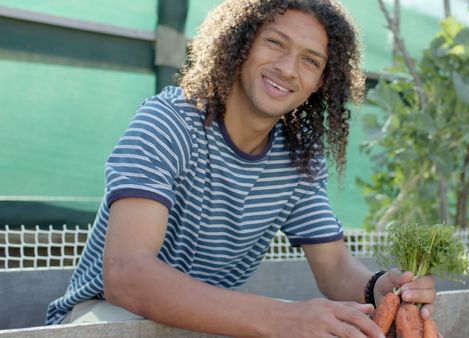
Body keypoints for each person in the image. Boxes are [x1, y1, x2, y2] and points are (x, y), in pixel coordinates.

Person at [46, 0, 437, 337]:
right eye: (275, 43)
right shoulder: (169, 123)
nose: (287, 68)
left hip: (206, 325)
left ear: (320, 81)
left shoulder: (298, 156)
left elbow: (334, 265)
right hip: (101, 321)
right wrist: (284, 318)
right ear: (243, 42)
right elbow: (127, 277)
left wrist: (378, 288)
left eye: (310, 61)